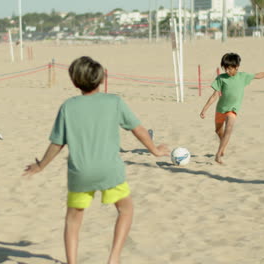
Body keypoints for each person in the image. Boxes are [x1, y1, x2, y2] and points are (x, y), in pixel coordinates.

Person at [23, 56, 170, 264]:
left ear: (74, 81)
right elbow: (138, 129)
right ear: (101, 79)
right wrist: (155, 150)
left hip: (80, 173)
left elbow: (57, 143)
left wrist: (40, 166)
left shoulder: (68, 107)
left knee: (73, 220)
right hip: (110, 170)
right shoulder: (114, 102)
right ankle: (114, 258)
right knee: (125, 210)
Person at [200, 52, 264, 164]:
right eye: (225, 68)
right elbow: (214, 95)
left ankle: (218, 154)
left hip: (232, 109)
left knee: (229, 128)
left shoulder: (243, 76)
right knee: (218, 130)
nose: (227, 71)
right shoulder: (221, 78)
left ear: (236, 67)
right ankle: (223, 144)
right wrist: (204, 109)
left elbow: (257, 75)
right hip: (220, 109)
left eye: (229, 68)